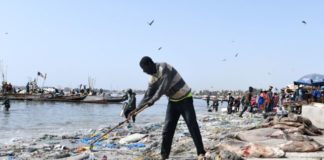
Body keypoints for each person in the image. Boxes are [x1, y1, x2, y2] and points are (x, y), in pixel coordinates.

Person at [134, 56, 206, 159]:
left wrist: (152, 101)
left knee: (192, 126)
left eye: (144, 69)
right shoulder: (152, 79)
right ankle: (164, 156)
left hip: (185, 99)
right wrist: (136, 110)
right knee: (167, 130)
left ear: (149, 64)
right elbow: (148, 95)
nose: (144, 71)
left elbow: (163, 88)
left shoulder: (164, 67)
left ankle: (201, 152)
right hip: (173, 102)